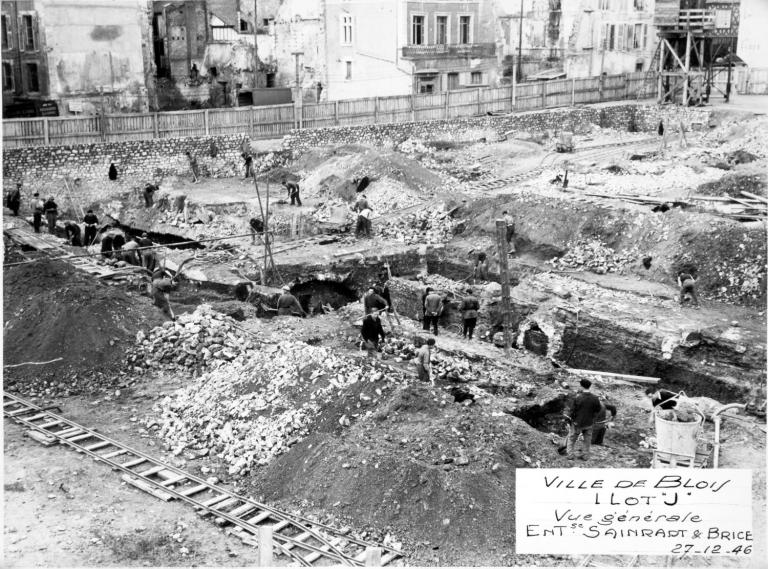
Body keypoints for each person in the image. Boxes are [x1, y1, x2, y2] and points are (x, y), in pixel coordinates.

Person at [565, 378, 601, 460]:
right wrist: (592, 418)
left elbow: (572, 411)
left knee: (571, 439)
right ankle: (585, 456)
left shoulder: (578, 398)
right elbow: (597, 410)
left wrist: (570, 420)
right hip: (589, 423)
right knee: (587, 440)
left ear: (581, 386)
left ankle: (570, 455)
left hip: (577, 423)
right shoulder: (595, 398)